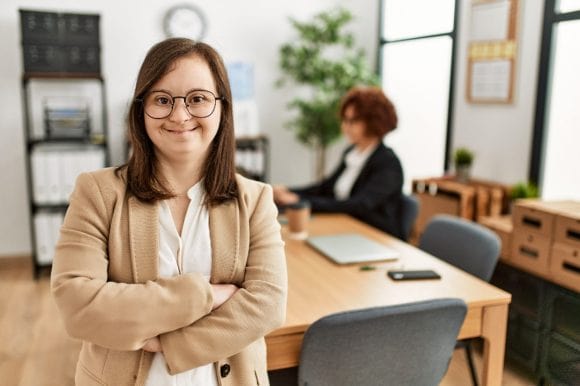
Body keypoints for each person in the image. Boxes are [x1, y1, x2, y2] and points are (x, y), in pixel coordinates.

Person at [51, 38, 287, 386]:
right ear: (141, 109)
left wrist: (167, 342)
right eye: (162, 100)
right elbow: (77, 305)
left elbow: (267, 305)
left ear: (222, 108)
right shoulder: (97, 192)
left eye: (198, 99)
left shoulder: (254, 199)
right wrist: (207, 295)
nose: (179, 115)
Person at [273, 86, 404, 238]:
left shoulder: (388, 163)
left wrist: (299, 199)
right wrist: (290, 191)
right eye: (345, 120)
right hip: (347, 228)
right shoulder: (352, 153)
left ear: (374, 122)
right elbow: (326, 187)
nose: (345, 127)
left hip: (376, 236)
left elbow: (359, 205)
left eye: (352, 121)